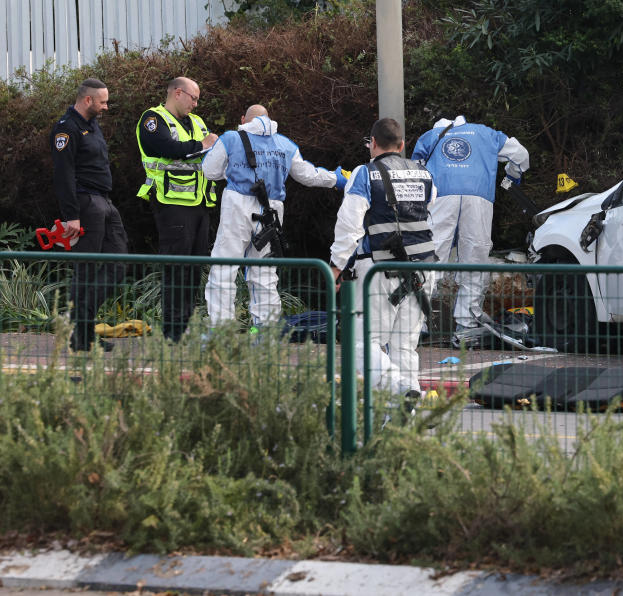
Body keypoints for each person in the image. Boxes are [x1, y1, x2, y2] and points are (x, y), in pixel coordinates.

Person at [202, 104, 349, 331]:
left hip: (237, 206)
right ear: (270, 119)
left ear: (244, 119)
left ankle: (220, 333)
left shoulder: (230, 138)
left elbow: (209, 171)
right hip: (270, 212)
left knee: (224, 267)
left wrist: (231, 169)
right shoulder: (285, 144)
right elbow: (308, 175)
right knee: (265, 272)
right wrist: (336, 179)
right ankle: (266, 332)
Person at [331, 118, 436, 406]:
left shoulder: (365, 174)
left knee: (361, 343)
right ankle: (405, 418)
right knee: (404, 346)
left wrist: (337, 266)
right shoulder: (424, 173)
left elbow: (349, 225)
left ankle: (400, 389)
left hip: (380, 268)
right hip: (423, 270)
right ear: (402, 146)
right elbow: (429, 214)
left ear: (372, 144)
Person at [409, 115, 529, 347]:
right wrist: (513, 175)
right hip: (479, 197)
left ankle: (416, 322)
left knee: (430, 258)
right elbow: (521, 154)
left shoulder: (429, 137)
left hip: (440, 197)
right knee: (475, 256)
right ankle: (466, 325)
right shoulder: (486, 133)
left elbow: (415, 173)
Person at [50, 78, 130, 352]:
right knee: (84, 270)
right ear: (88, 100)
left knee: (118, 265)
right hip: (85, 205)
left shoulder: (92, 125)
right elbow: (63, 175)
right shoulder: (67, 129)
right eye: (103, 102)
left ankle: (82, 326)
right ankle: (80, 335)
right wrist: (72, 215)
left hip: (105, 203)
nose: (106, 107)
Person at [135, 76, 218, 342]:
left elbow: (211, 152)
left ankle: (186, 326)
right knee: (176, 268)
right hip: (171, 203)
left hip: (199, 204)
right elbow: (166, 148)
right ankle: (173, 332)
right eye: (193, 98)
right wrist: (202, 146)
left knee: (194, 269)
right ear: (178, 93)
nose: (196, 103)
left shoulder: (197, 122)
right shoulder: (153, 119)